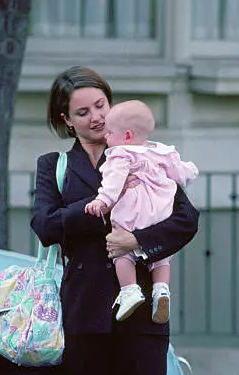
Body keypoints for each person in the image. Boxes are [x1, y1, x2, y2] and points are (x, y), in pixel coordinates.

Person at [31, 66, 199, 375]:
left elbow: (185, 220)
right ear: (66, 119)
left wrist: (138, 243)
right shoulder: (53, 166)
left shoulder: (145, 153)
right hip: (85, 315)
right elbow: (45, 223)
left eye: (100, 105)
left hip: (142, 313)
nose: (96, 117)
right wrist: (97, 209)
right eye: (82, 111)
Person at [84, 99, 198, 323]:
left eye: (109, 132)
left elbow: (114, 184)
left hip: (133, 213)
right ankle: (161, 290)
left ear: (126, 135)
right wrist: (191, 171)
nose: (106, 137)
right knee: (162, 258)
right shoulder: (160, 151)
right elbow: (180, 174)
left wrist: (102, 200)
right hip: (160, 212)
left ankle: (130, 290)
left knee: (121, 252)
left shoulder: (120, 154)